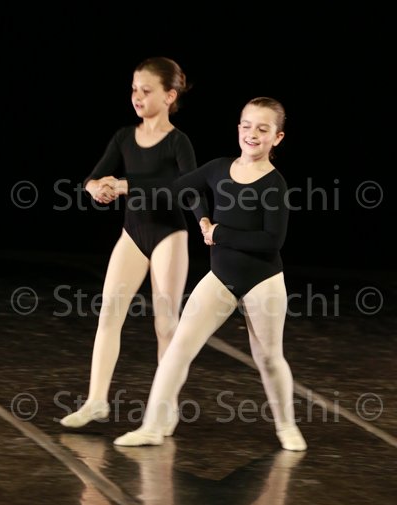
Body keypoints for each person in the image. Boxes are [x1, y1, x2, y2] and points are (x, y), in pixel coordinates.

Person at [113, 96, 307, 452]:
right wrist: (130, 187)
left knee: (268, 357)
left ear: (277, 137)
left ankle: (287, 427)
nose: (252, 134)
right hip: (220, 279)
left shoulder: (274, 184)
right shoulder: (218, 168)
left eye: (262, 129)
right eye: (246, 126)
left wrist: (218, 233)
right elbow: (178, 188)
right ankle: (153, 426)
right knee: (178, 349)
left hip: (263, 281)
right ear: (238, 128)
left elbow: (271, 241)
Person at [60, 57, 197, 428]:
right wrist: (96, 188)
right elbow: (92, 178)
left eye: (146, 90)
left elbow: (186, 190)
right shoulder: (124, 136)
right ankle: (96, 401)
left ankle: (164, 410)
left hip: (168, 234)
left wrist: (126, 185)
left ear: (169, 96)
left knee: (165, 324)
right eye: (134, 89)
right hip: (132, 234)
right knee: (109, 314)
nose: (137, 96)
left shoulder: (178, 142)